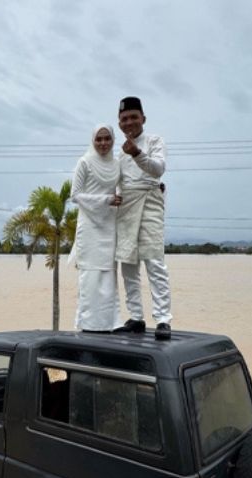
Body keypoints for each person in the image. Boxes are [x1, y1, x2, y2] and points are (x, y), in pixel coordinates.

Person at [111, 96, 173, 340]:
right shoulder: (119, 153)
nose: (129, 122)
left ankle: (163, 319)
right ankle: (136, 317)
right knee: (128, 265)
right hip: (126, 207)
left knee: (154, 262)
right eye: (124, 119)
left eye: (133, 117)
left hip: (149, 203)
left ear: (143, 119)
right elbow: (116, 180)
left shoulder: (155, 141)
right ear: (119, 123)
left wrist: (137, 153)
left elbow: (158, 169)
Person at [66, 124, 121, 332]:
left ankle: (110, 324)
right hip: (89, 226)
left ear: (113, 140)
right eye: (99, 139)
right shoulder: (85, 162)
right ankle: (88, 325)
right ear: (92, 140)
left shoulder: (117, 165)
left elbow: (126, 187)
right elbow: (75, 195)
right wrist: (106, 199)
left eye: (107, 139)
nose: (103, 143)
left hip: (109, 224)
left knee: (108, 274)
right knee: (90, 275)